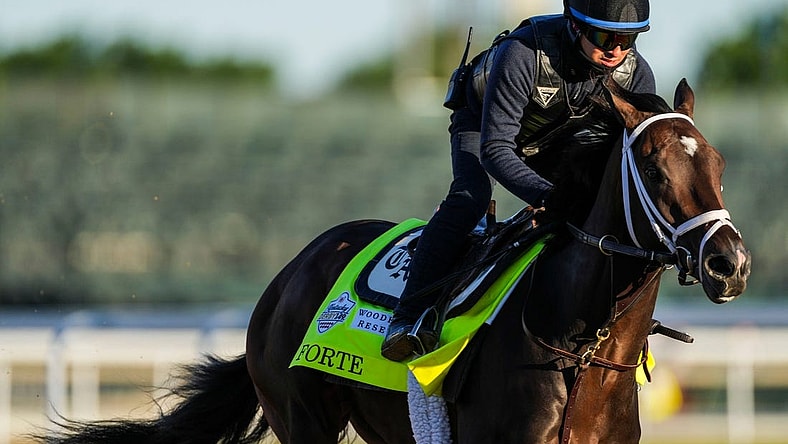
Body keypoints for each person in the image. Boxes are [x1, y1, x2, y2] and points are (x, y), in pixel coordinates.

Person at [381, 0, 657, 361]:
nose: (616, 50)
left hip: (560, 138)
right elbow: (496, 150)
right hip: (484, 125)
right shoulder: (523, 53)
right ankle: (407, 318)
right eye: (605, 36)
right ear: (575, 27)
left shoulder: (637, 74)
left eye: (628, 39)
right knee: (471, 196)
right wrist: (554, 198)